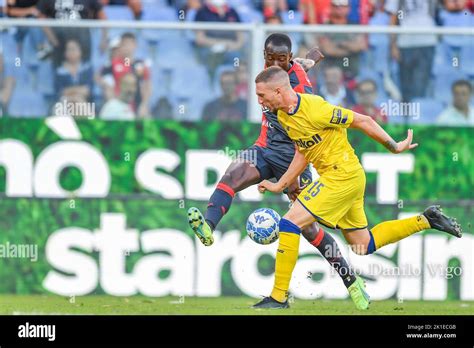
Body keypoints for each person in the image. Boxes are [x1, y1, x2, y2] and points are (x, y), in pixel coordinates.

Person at [252, 66, 462, 309]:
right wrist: (281, 184)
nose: (259, 101)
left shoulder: (316, 108)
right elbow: (303, 150)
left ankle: (278, 297)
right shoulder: (283, 116)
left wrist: (394, 146)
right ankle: (426, 220)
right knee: (363, 244)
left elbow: (362, 120)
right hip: (349, 177)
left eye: (262, 95)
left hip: (341, 176)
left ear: (278, 91)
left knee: (289, 223)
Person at [188, 33, 370, 310]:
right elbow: (297, 65)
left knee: (308, 230)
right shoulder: (275, 73)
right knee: (231, 177)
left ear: (287, 60)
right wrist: (303, 61)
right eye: (270, 58)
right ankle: (208, 227)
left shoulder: (302, 94)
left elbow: (306, 136)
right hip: (264, 147)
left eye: (281, 59)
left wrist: (293, 179)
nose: (275, 62)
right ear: (265, 55)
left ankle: (352, 281)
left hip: (295, 157)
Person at [55, 39, 93, 103]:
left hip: (83, 101)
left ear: (80, 51)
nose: (71, 52)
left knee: (80, 102)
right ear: (65, 53)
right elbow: (61, 92)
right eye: (69, 49)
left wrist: (70, 91)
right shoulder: (59, 71)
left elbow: (87, 90)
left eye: (73, 49)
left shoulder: (87, 68)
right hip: (65, 102)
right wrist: (78, 90)